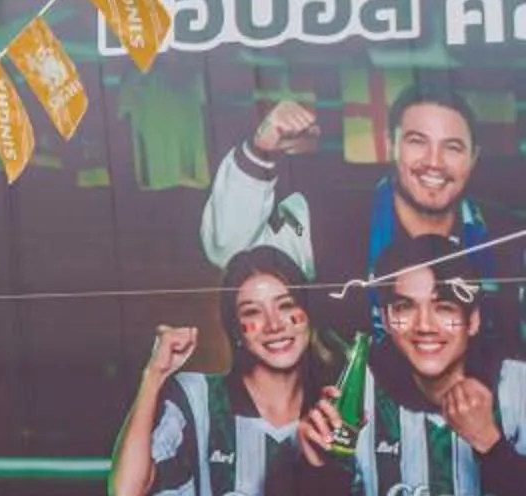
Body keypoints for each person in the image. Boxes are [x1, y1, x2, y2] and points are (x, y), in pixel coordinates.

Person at [107, 250, 351, 496]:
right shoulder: (200, 400)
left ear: (307, 313)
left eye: (286, 306)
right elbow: (126, 492)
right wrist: (154, 374)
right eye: (253, 313)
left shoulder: (336, 407)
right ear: (237, 331)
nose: (275, 325)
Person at [201, 81, 502, 337]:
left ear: (473, 157)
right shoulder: (324, 217)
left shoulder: (510, 238)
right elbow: (232, 255)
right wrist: (260, 151)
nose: (434, 161)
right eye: (417, 141)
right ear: (390, 145)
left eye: (452, 147)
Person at [330, 235, 526, 496]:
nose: (425, 325)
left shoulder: (518, 387)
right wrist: (317, 466)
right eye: (405, 307)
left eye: (443, 306)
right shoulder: (356, 396)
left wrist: (490, 444)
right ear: (386, 320)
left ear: (472, 320)